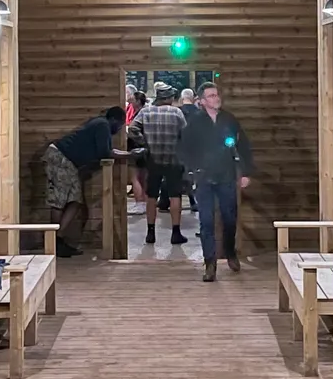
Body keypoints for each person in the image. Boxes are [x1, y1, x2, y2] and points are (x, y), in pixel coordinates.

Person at [180, 81, 253, 281]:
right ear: (202, 101)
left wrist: (245, 172)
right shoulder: (194, 122)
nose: (216, 98)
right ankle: (209, 263)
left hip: (226, 175)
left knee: (229, 218)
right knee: (206, 221)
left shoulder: (229, 119)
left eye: (216, 94)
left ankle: (230, 252)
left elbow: (243, 145)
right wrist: (192, 172)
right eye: (211, 96)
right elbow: (184, 149)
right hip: (204, 178)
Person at [43, 107, 130, 256]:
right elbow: (105, 153)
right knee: (59, 201)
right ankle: (54, 242)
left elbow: (108, 152)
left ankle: (59, 238)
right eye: (121, 124)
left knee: (75, 201)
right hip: (61, 157)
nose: (120, 128)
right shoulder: (103, 125)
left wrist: (128, 154)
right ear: (114, 120)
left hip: (67, 160)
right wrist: (131, 155)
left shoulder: (101, 124)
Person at [135, 83, 191, 247]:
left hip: (152, 159)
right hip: (174, 160)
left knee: (152, 196)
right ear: (170, 98)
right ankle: (175, 232)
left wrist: (145, 144)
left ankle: (150, 233)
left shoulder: (145, 112)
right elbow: (185, 134)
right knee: (175, 196)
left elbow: (133, 129)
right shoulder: (177, 112)